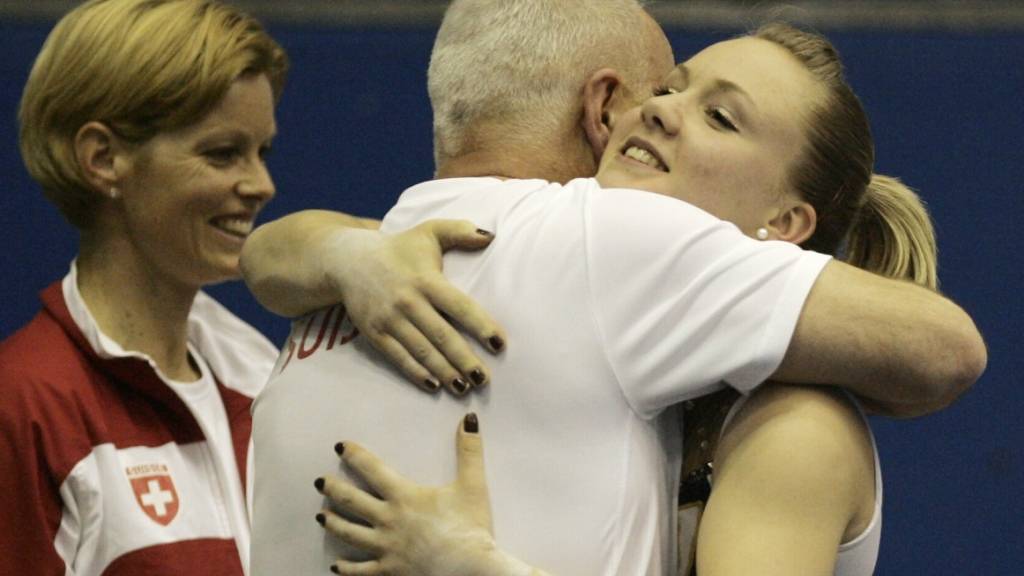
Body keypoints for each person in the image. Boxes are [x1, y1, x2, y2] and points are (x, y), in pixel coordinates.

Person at [242, 3, 985, 576]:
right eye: (668, 87)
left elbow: (948, 349)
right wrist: (336, 251)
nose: (660, 108)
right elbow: (280, 251)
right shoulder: (589, 282)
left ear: (784, 223)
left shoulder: (797, 426)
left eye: (720, 118)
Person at [0, 1, 288, 574]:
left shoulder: (260, 372)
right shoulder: (26, 407)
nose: (262, 185)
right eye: (223, 153)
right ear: (104, 159)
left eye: (262, 152)